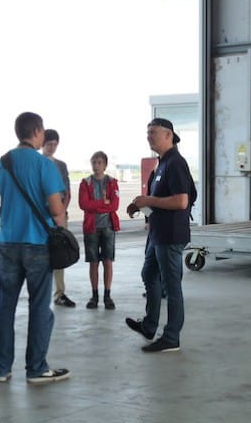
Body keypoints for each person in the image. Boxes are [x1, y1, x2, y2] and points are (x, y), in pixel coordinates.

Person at [0, 112, 70, 384]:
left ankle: (1, 368)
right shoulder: (45, 166)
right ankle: (36, 368)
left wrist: (8, 214)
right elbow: (57, 210)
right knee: (39, 307)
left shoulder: (3, 162)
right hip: (37, 245)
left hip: (9, 243)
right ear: (37, 131)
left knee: (5, 306)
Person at [125, 118, 194, 353]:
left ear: (169, 135)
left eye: (153, 132)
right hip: (158, 234)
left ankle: (171, 337)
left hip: (170, 235)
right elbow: (160, 200)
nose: (149, 137)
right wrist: (141, 207)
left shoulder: (175, 163)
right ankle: (149, 324)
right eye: (147, 133)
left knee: (171, 286)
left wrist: (149, 200)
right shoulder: (161, 164)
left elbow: (181, 200)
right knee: (149, 274)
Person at [78, 151, 120, 310]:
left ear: (105, 165)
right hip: (91, 227)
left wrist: (94, 204)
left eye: (99, 162)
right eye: (94, 162)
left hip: (108, 226)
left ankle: (107, 295)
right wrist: (103, 202)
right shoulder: (85, 183)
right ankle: (94, 295)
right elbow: (84, 204)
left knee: (108, 261)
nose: (96, 165)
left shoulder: (112, 182)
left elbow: (114, 205)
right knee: (93, 262)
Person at [41, 128, 75, 308]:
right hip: (41, 218)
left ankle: (59, 292)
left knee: (59, 255)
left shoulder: (61, 165)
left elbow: (67, 192)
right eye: (49, 144)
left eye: (55, 144)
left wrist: (61, 213)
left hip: (59, 216)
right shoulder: (37, 163)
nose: (52, 148)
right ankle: (42, 292)